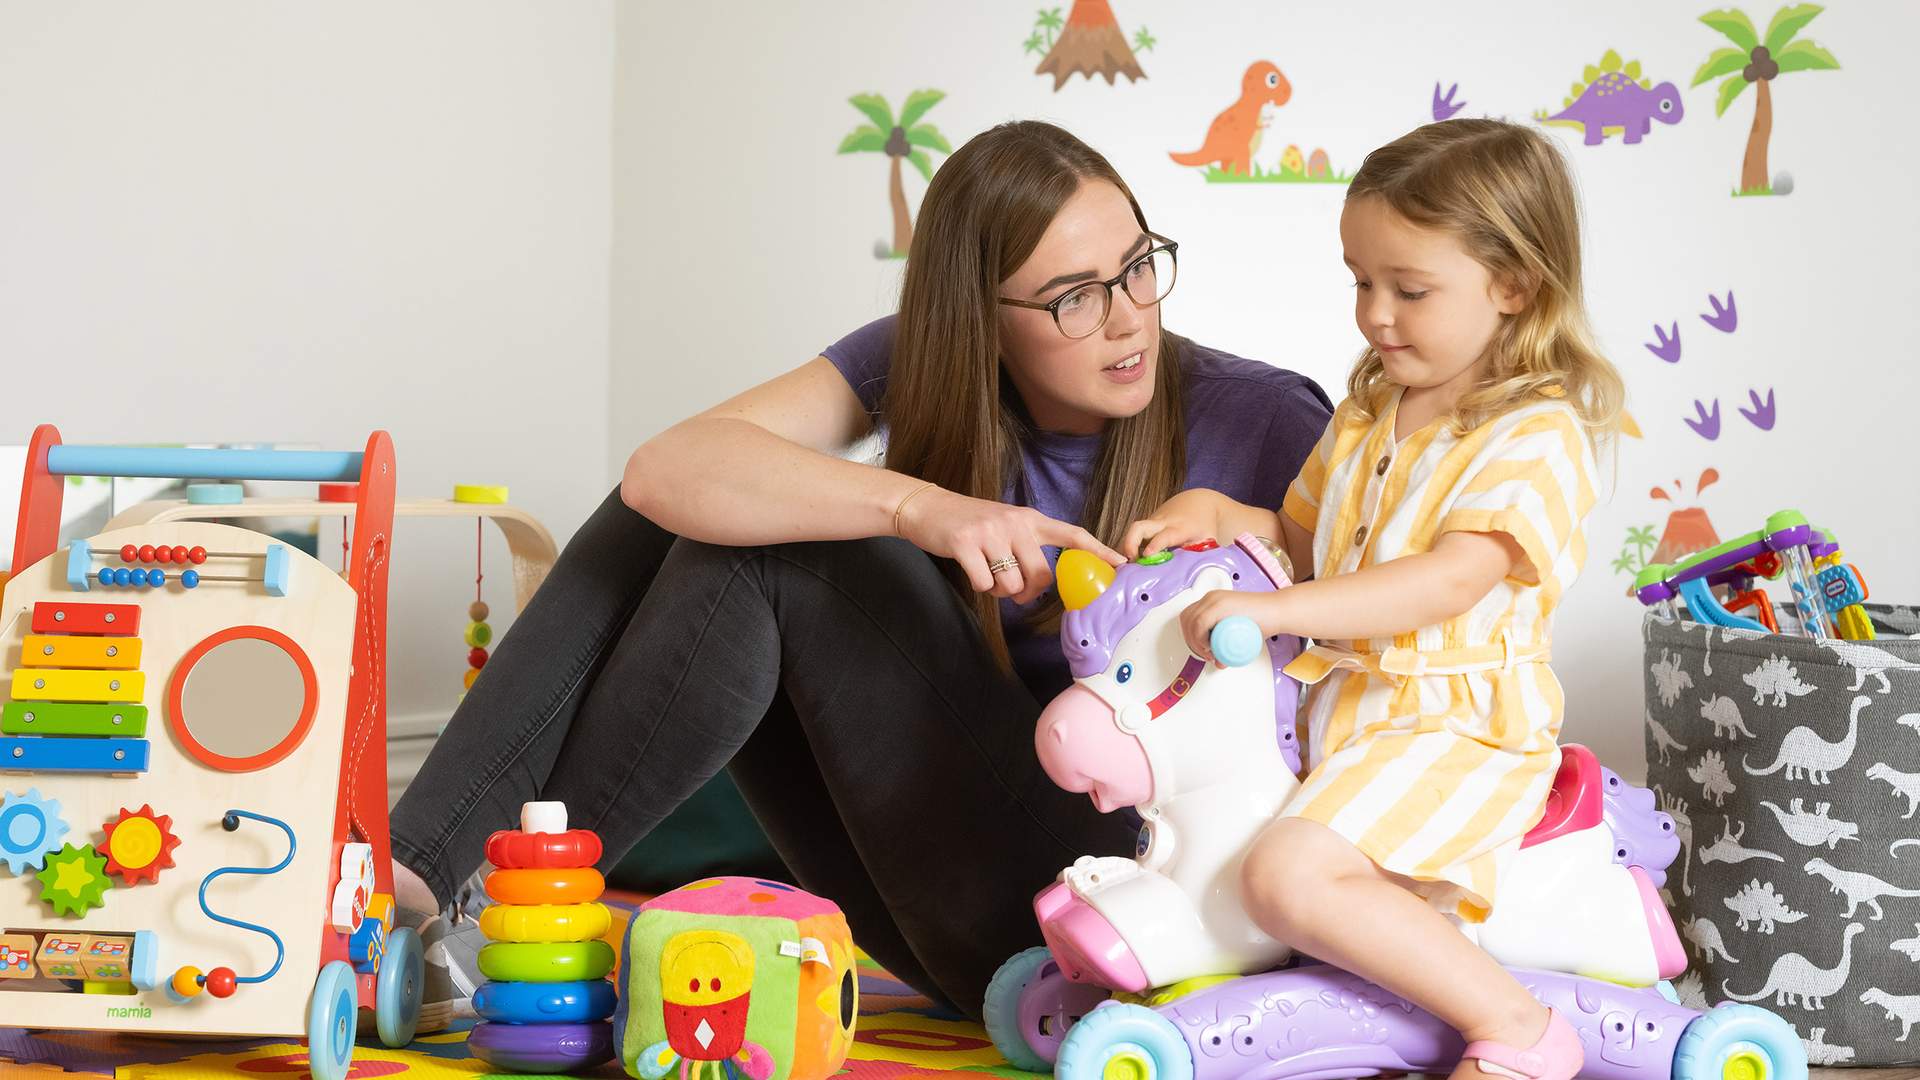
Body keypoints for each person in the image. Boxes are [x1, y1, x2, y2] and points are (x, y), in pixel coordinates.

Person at [386, 119, 1333, 1023]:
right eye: (1075, 297)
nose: (1128, 319)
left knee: (775, 553)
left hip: (1119, 910)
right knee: (706, 502)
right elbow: (661, 473)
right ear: (981, 318)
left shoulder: (1261, 418)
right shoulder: (926, 366)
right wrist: (920, 505)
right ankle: (413, 875)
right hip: (931, 898)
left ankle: (517, 917)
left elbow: (1375, 683)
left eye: (1137, 269)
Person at [1137, 119, 1623, 1080]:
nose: (1375, 314)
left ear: (1514, 285)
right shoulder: (1368, 412)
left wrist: (1276, 614)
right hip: (1348, 714)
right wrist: (1225, 512)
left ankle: (1524, 1033)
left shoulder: (1536, 434)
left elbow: (1448, 579)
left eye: (1411, 290)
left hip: (1453, 728)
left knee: (1284, 875)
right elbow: (1309, 538)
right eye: (1361, 280)